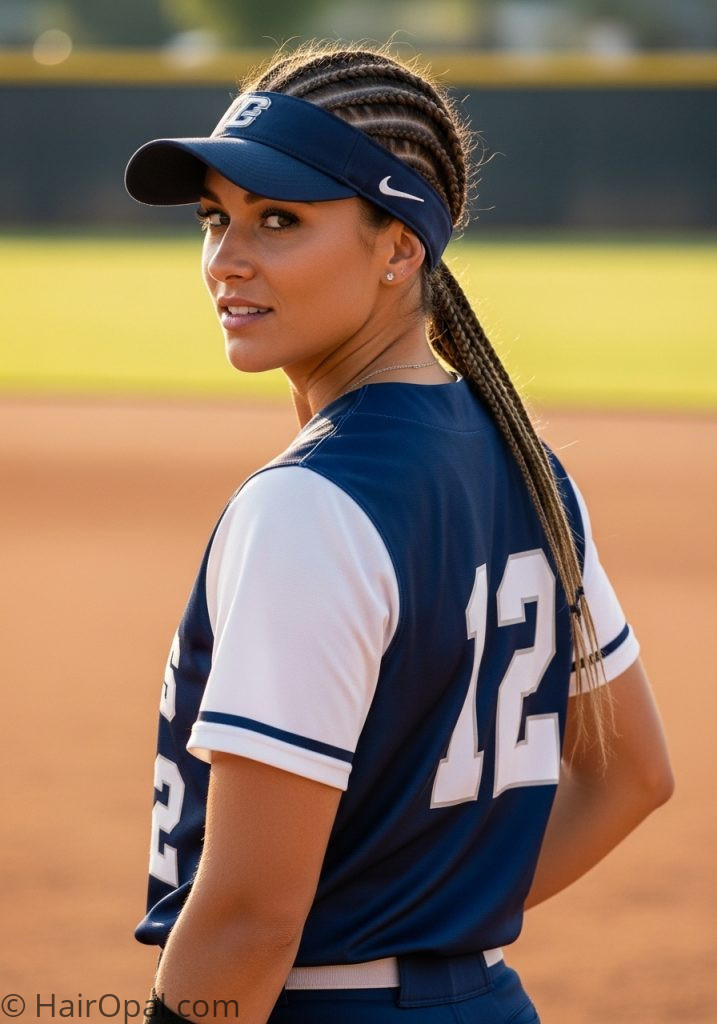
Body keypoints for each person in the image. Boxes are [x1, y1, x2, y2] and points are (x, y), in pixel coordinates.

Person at [124, 42, 673, 1024]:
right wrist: (432, 922)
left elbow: (249, 919)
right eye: (217, 217)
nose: (226, 258)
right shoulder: (530, 466)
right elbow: (634, 773)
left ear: (399, 248)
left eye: (279, 219)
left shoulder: (311, 504)